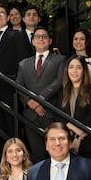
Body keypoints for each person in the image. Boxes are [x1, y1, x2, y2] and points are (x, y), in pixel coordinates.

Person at [0, 3, 34, 135]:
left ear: (8, 17)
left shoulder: (17, 35)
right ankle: (0, 153)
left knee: (12, 126)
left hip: (10, 87)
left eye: (2, 13)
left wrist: (20, 86)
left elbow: (24, 62)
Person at [16, 26, 66, 162]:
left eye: (44, 37)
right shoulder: (23, 64)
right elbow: (19, 86)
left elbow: (59, 81)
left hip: (51, 112)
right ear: (33, 41)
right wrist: (30, 102)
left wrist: (41, 99)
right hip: (30, 115)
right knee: (37, 155)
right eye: (37, 37)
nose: (41, 39)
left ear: (50, 41)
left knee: (56, 154)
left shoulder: (60, 60)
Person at [53, 55, 91, 165]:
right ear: (67, 70)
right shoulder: (62, 92)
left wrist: (78, 138)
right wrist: (72, 127)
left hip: (88, 144)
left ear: (84, 71)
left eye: (78, 67)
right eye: (71, 67)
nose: (74, 71)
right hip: (66, 144)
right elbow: (58, 116)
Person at [71, 28, 91, 93]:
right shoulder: (69, 62)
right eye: (76, 39)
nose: (78, 42)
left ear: (87, 41)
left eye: (82, 39)